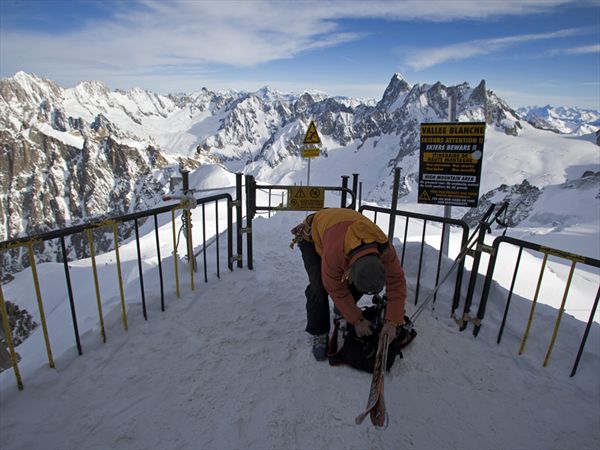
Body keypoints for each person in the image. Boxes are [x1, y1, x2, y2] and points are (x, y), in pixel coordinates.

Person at [290, 208, 408, 361]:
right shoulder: (335, 255)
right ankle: (320, 331)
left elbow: (396, 281)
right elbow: (334, 287)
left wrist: (393, 321)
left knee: (361, 282)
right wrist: (357, 320)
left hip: (340, 232)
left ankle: (343, 308)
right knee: (318, 287)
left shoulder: (384, 248)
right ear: (349, 268)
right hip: (312, 238)